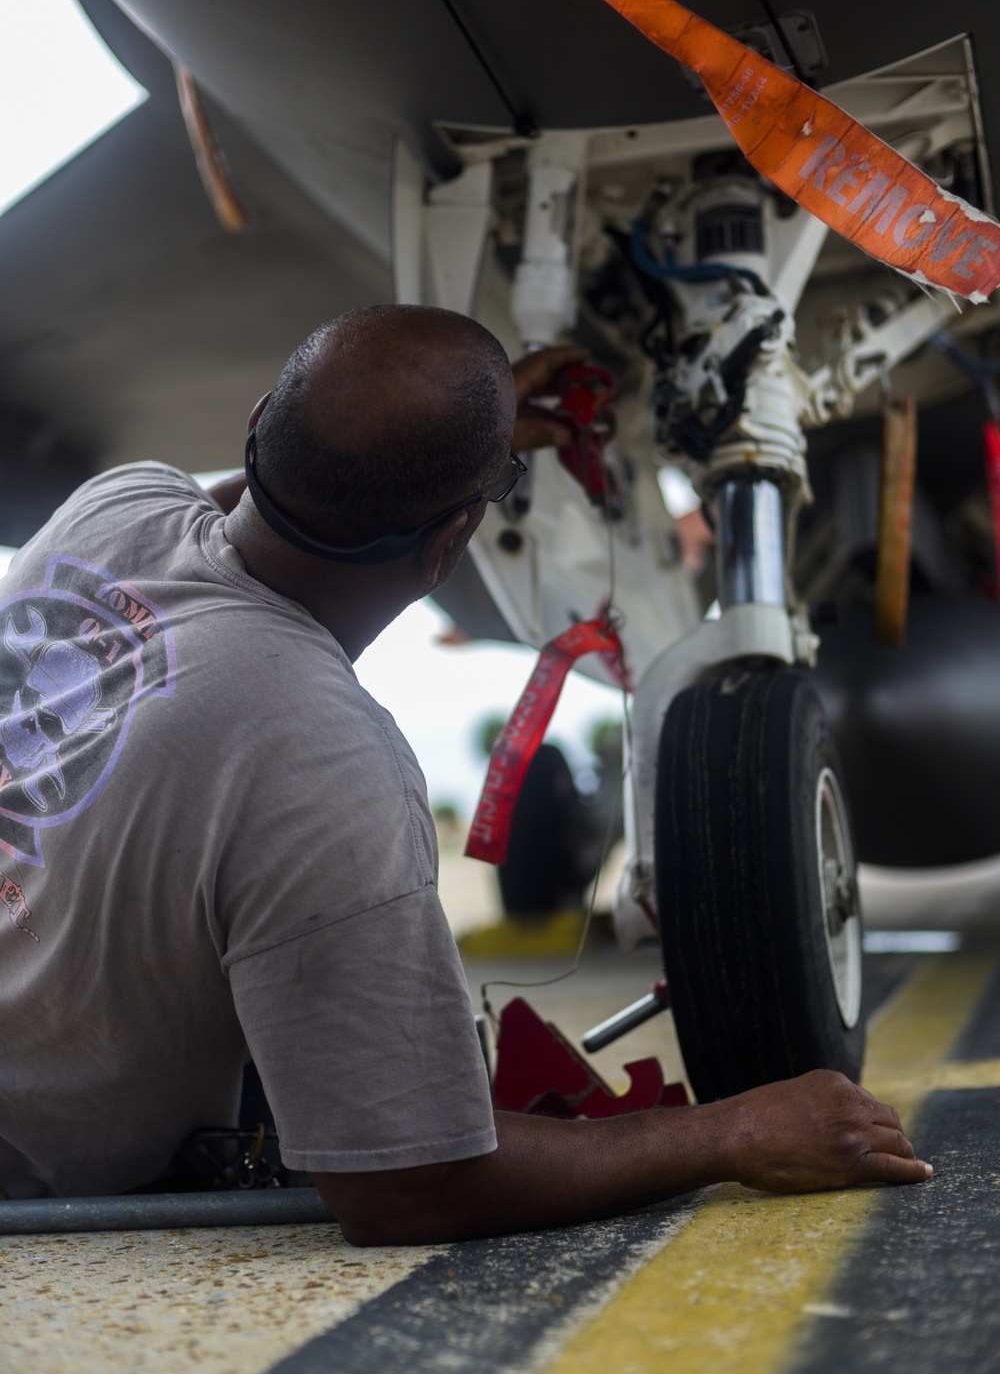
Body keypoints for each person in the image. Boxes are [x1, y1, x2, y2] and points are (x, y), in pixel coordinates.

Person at [0, 305, 930, 1239]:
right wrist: (729, 1131)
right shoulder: (321, 760)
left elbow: (275, 485)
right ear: (449, 542)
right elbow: (408, 1183)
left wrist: (453, 436)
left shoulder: (114, 507)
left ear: (256, 424)